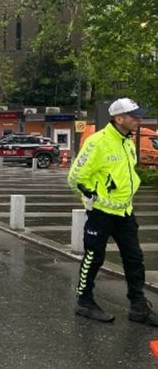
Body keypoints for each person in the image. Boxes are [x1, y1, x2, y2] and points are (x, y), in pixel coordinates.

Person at [68, 98, 157, 326]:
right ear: (119, 118)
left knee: (134, 258)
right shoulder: (98, 142)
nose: (139, 119)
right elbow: (75, 177)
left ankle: (138, 307)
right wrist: (89, 199)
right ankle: (84, 302)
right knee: (93, 257)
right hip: (101, 213)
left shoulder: (127, 141)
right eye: (134, 116)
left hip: (125, 213)